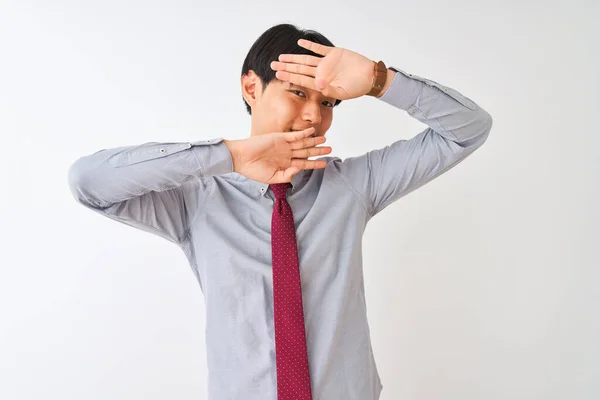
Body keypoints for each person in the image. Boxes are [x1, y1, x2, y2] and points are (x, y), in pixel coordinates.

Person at [68, 23, 493, 400]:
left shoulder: (352, 185)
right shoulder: (197, 199)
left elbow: (468, 130)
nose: (314, 116)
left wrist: (381, 81)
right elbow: (89, 183)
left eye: (328, 103)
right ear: (252, 88)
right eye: (297, 92)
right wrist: (230, 155)